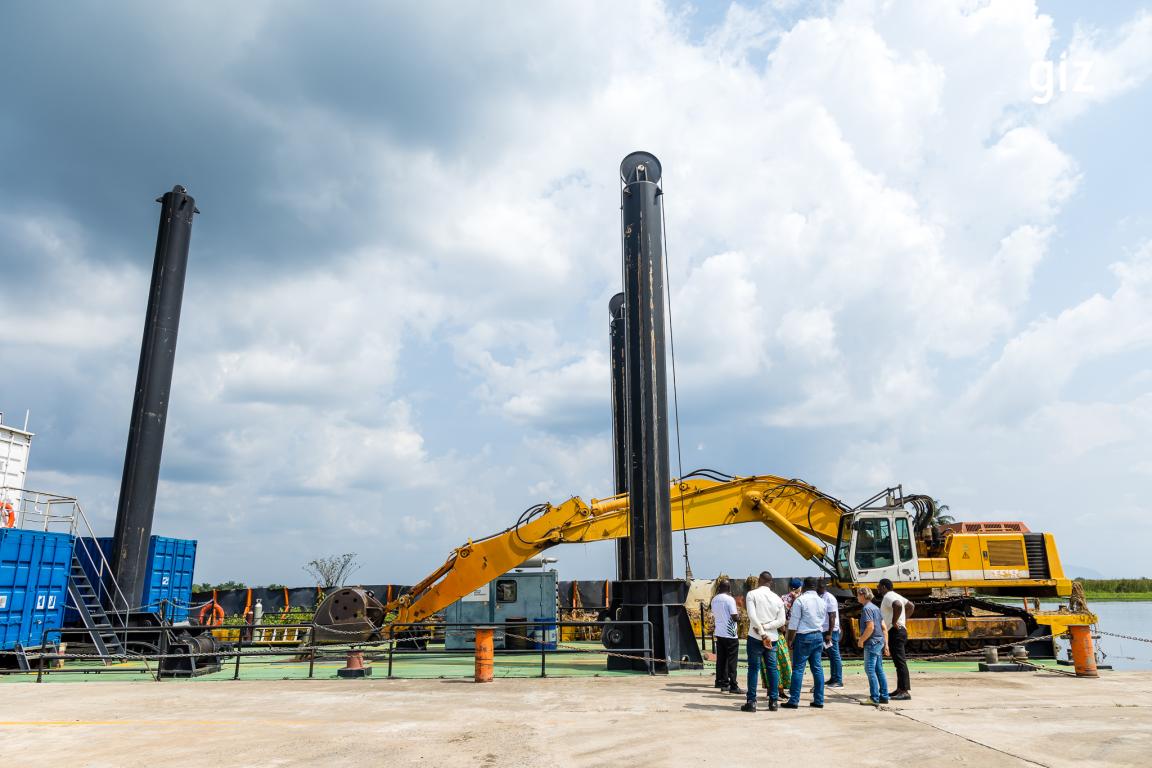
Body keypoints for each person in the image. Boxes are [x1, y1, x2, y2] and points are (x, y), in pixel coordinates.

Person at [741, 570, 786, 712]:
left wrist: (761, 631)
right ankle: (773, 702)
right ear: (771, 582)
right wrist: (767, 629)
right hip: (772, 638)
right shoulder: (777, 599)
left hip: (756, 637)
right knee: (772, 669)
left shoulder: (752, 594)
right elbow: (781, 621)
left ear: (759, 580)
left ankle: (751, 702)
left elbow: (752, 616)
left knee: (753, 669)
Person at [782, 576, 826, 709]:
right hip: (818, 636)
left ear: (804, 587)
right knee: (817, 669)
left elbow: (794, 623)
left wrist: (790, 639)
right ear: (815, 587)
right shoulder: (822, 601)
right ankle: (819, 700)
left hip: (804, 637)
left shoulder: (800, 600)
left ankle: (794, 700)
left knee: (798, 669)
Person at [876, 578, 914, 700]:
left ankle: (904, 691)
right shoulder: (895, 595)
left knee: (900, 662)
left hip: (895, 631)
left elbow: (897, 605)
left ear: (884, 587)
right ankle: (900, 689)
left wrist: (894, 621)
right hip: (898, 630)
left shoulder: (888, 596)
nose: (877, 588)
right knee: (899, 662)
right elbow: (911, 606)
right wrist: (903, 620)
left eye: (879, 586)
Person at [855, 586, 889, 705]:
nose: (857, 597)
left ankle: (874, 698)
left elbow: (870, 627)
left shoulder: (866, 609)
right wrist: (886, 644)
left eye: (858, 594)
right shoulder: (876, 608)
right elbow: (884, 627)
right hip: (879, 641)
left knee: (869, 669)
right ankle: (884, 696)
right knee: (879, 669)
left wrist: (861, 640)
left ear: (863, 595)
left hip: (871, 642)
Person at [711, 580, 743, 694]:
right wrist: (740, 617)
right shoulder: (730, 599)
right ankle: (733, 685)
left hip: (719, 632)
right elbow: (734, 617)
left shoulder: (714, 599)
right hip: (730, 634)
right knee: (732, 661)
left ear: (719, 588)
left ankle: (722, 682)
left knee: (721, 659)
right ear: (729, 588)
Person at [816, 579, 843, 688]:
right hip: (824, 630)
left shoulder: (829, 598)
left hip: (830, 631)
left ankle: (838, 680)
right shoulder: (821, 597)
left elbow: (832, 616)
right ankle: (833, 678)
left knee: (835, 655)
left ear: (821, 587)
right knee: (831, 655)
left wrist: (829, 634)